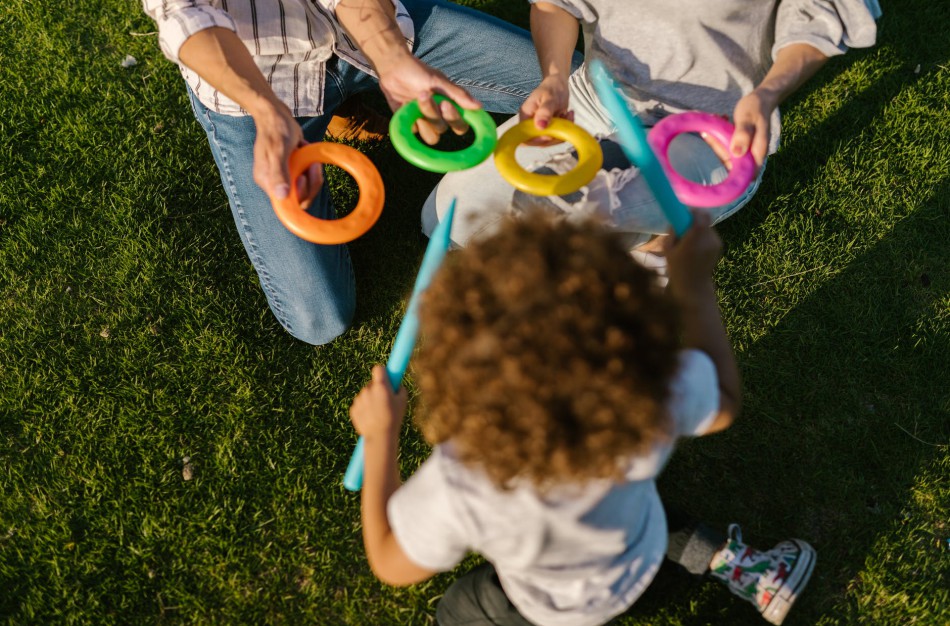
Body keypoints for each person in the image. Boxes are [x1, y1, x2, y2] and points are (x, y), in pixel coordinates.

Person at [349, 211, 816, 625]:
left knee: (458, 611)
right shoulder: (648, 396)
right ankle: (749, 569)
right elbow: (724, 400)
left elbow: (390, 561)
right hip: (633, 550)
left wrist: (380, 437)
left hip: (549, 609)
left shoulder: (467, 484)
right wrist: (693, 287)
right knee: (627, 507)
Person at [142, 0, 550, 345]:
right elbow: (185, 16)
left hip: (363, 36)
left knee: (569, 90)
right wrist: (267, 113)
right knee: (321, 320)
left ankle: (346, 98)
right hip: (257, 87)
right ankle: (326, 110)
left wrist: (392, 59)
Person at [422, 0, 881, 270]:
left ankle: (653, 241)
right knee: (447, 222)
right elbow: (555, 4)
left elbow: (816, 20)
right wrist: (555, 77)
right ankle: (639, 228)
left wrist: (766, 94)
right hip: (593, 101)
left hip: (710, 133)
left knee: (565, 241)